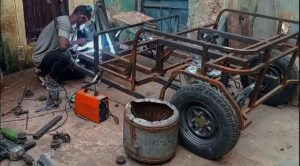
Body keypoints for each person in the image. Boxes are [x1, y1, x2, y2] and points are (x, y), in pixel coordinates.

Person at [33, 5, 93, 88]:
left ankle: (46, 73)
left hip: (54, 54)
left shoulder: (72, 24)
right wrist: (77, 42)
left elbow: (68, 45)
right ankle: (50, 78)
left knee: (80, 73)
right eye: (85, 21)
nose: (84, 24)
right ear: (81, 17)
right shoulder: (64, 22)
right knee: (66, 55)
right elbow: (63, 46)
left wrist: (76, 44)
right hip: (42, 58)